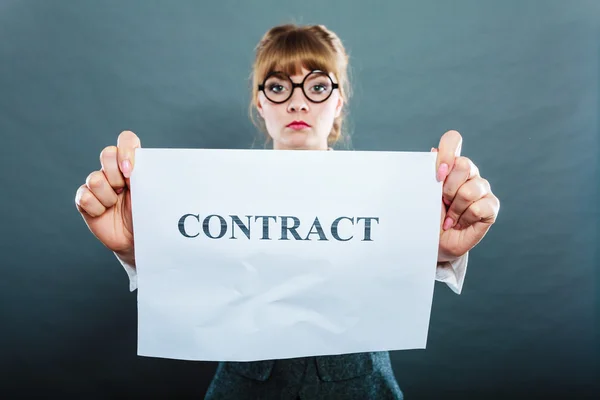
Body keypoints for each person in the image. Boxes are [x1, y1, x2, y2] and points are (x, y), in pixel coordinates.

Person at [75, 23, 500, 400]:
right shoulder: (213, 191)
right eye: (278, 86)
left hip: (360, 383)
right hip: (245, 384)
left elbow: (397, 267)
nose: (298, 103)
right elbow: (194, 274)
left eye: (316, 87)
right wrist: (139, 248)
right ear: (260, 102)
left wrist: (437, 250)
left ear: (339, 101)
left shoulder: (387, 193)